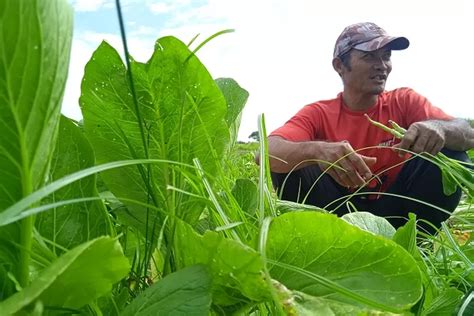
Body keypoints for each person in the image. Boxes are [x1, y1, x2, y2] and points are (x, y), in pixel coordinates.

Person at [262, 22, 474, 233]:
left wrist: (439, 128)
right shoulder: (318, 113)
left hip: (399, 216)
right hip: (337, 217)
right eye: (369, 56)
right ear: (339, 65)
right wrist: (316, 151)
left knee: (451, 155)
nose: (382, 65)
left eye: (386, 56)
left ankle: (417, 245)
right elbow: (266, 151)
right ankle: (318, 243)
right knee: (292, 162)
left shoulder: (404, 101)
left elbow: (466, 132)